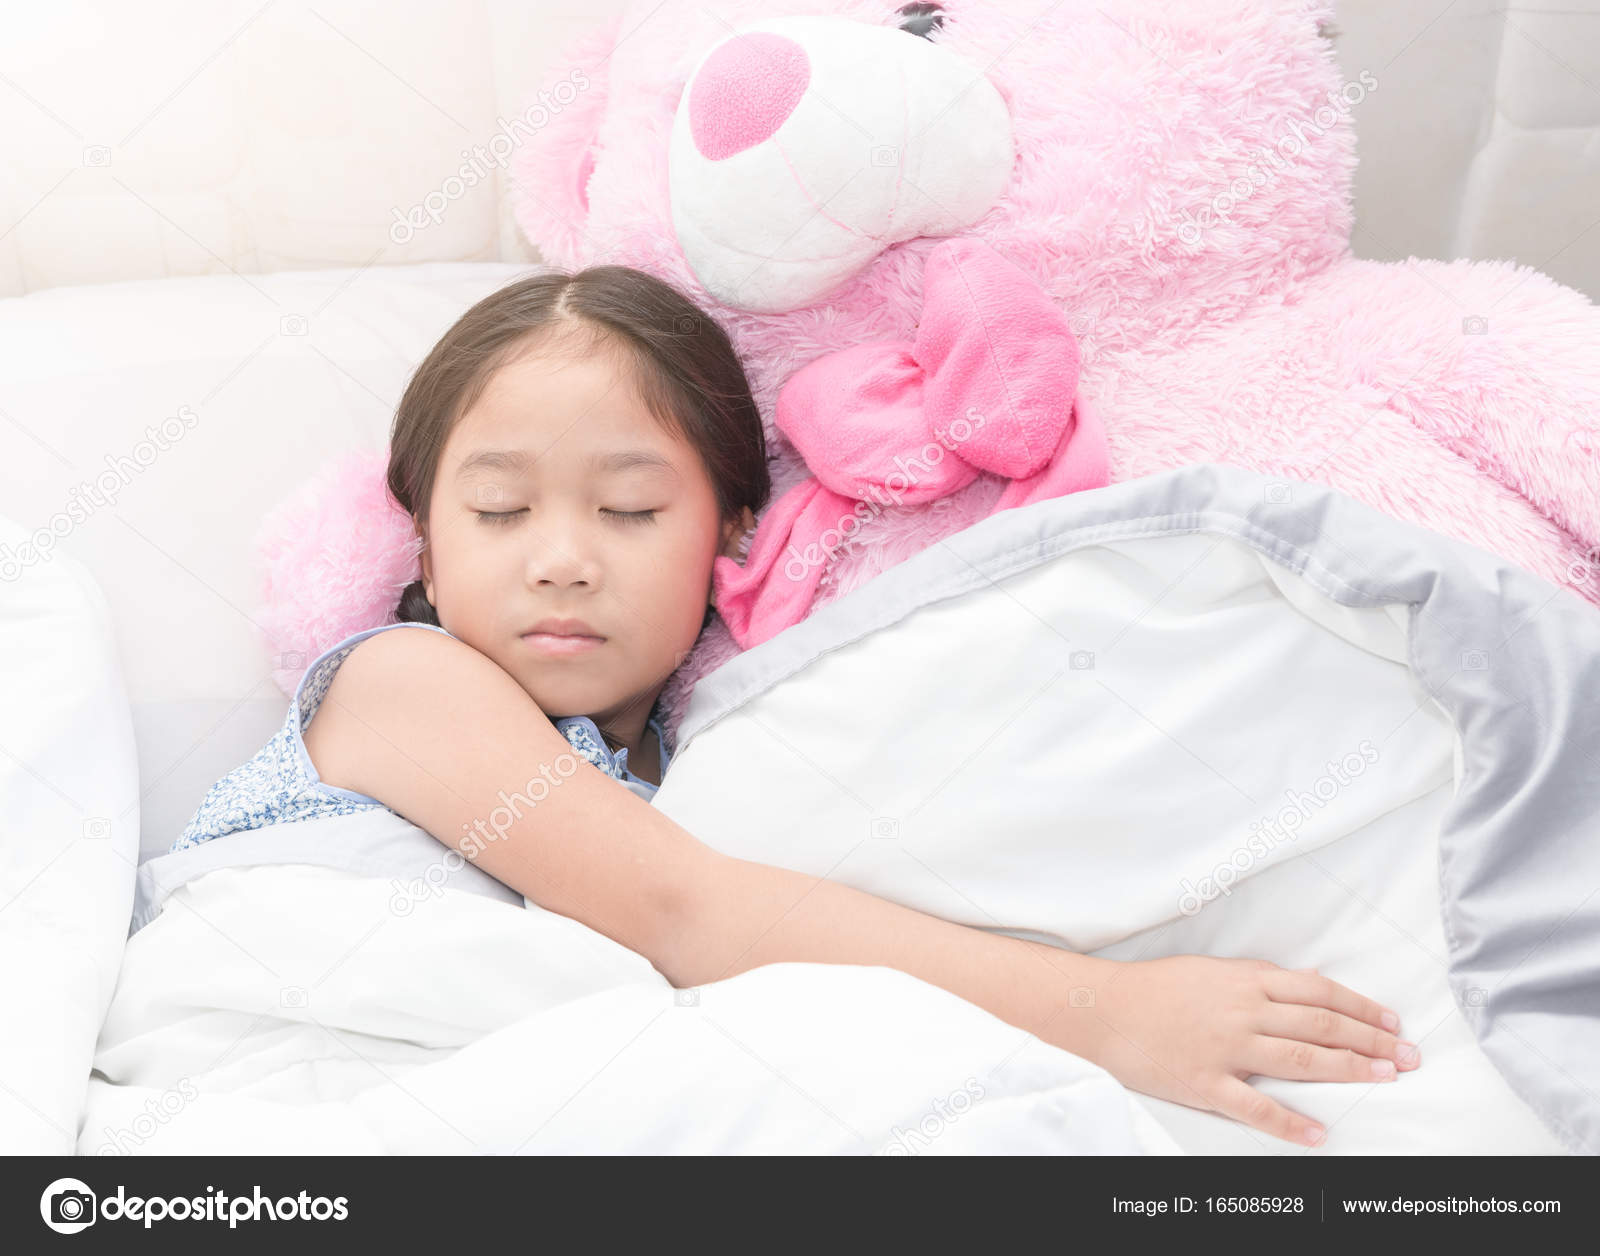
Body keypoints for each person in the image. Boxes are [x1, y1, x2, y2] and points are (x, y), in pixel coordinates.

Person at [180, 265, 1419, 1147]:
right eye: (500, 512)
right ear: (430, 548)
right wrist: (1111, 1014)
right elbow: (685, 910)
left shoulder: (713, 764)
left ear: (730, 530)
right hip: (284, 1092)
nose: (560, 557)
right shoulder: (403, 683)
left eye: (627, 510)